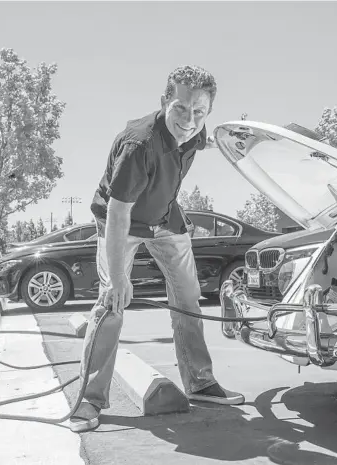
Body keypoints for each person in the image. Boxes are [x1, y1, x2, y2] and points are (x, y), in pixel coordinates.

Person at [69, 65, 244, 433]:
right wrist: (118, 278)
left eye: (199, 113)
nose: (189, 120)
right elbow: (119, 212)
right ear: (165, 101)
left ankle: (200, 381)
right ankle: (89, 399)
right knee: (112, 302)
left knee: (188, 295)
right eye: (180, 109)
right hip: (122, 221)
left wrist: (239, 141)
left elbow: (205, 140)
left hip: (165, 219)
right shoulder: (139, 144)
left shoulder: (196, 130)